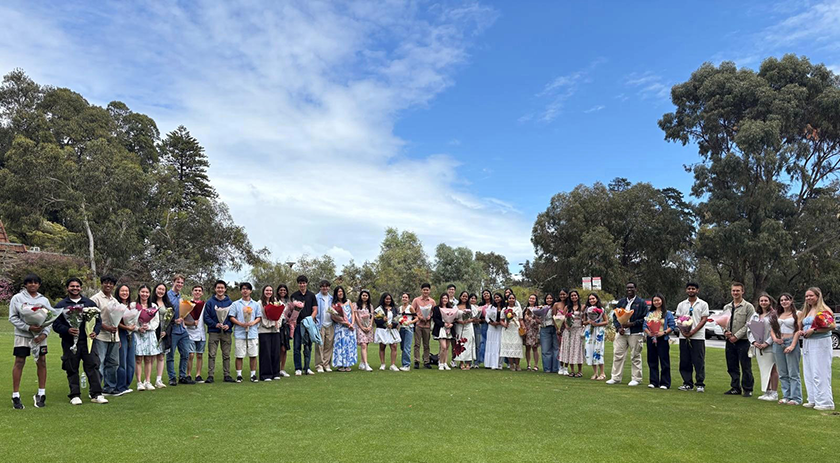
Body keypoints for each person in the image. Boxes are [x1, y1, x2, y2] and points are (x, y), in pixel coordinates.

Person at [53, 277, 109, 405]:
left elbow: (98, 321)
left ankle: (96, 394)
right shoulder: (61, 305)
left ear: (81, 288)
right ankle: (75, 395)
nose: (75, 288)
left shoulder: (89, 303)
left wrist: (95, 331)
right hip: (70, 342)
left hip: (88, 341)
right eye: (72, 286)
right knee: (71, 367)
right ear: (67, 288)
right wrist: (67, 330)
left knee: (93, 366)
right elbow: (55, 324)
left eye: (77, 286)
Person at [9, 273, 55, 409]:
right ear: (25, 284)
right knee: (19, 361)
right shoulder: (17, 298)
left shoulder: (44, 300)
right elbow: (13, 317)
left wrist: (44, 334)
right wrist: (28, 327)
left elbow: (50, 318)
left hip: (39, 337)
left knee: (42, 361)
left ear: (39, 285)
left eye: (35, 282)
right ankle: (15, 395)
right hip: (22, 335)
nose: (33, 284)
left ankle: (41, 393)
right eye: (30, 282)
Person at [798, 287, 835, 411]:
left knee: (820, 371)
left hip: (820, 342)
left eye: (811, 296)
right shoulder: (807, 310)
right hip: (808, 343)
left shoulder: (824, 310)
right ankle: (813, 399)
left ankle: (825, 402)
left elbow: (831, 326)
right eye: (806, 296)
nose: (808, 298)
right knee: (809, 372)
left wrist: (814, 330)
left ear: (818, 296)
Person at [607, 282, 649, 386]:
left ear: (636, 289)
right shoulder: (621, 302)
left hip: (635, 332)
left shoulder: (641, 303)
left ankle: (636, 378)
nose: (629, 290)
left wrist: (632, 324)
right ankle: (615, 377)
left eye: (631, 288)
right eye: (627, 288)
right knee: (618, 354)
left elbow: (644, 318)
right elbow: (615, 316)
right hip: (622, 333)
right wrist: (618, 327)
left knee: (635, 355)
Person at [722, 282, 756, 397]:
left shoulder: (748, 307)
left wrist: (736, 336)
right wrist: (725, 332)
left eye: (738, 290)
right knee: (732, 366)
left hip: (743, 341)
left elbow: (749, 324)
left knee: (746, 366)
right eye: (733, 290)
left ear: (742, 291)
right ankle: (735, 387)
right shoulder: (727, 307)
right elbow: (723, 322)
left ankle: (748, 388)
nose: (735, 293)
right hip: (729, 341)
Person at [675, 282, 709, 393]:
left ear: (697, 290)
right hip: (683, 337)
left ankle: (700, 384)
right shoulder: (681, 304)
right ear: (686, 290)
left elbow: (704, 319)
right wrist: (683, 331)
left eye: (693, 289)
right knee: (685, 361)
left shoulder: (703, 304)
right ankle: (687, 383)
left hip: (698, 337)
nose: (691, 290)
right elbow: (678, 319)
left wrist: (693, 331)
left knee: (698, 361)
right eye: (689, 288)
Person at [91, 275, 121, 396]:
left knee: (113, 362)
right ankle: (96, 389)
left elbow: (117, 319)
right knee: (100, 362)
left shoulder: (115, 301)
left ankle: (110, 387)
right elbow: (93, 318)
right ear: (102, 283)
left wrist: (118, 337)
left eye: (111, 283)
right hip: (101, 336)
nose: (108, 285)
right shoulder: (95, 299)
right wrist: (106, 327)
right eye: (106, 283)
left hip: (114, 337)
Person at [769, 293, 802, 405]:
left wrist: (792, 345)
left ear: (791, 301)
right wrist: (775, 339)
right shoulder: (777, 314)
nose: (784, 302)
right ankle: (786, 396)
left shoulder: (797, 314)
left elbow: (798, 330)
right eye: (782, 300)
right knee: (782, 372)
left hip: (791, 341)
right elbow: (772, 329)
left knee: (793, 372)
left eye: (786, 300)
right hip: (779, 343)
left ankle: (796, 398)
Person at [228, 282, 262, 383]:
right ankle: (239, 375)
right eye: (243, 289)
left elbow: (259, 317)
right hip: (240, 332)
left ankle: (253, 375)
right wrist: (240, 323)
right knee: (239, 355)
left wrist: (252, 323)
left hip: (252, 333)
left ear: (250, 291)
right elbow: (231, 317)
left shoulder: (255, 304)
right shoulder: (235, 304)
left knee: (253, 354)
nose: (245, 291)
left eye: (247, 289)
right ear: (241, 291)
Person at [749, 294, 778, 401]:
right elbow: (750, 330)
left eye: (766, 300)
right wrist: (754, 342)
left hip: (769, 346)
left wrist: (767, 343)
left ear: (770, 301)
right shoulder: (755, 315)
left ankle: (774, 393)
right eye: (761, 301)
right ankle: (767, 391)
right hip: (758, 346)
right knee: (764, 369)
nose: (763, 302)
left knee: (772, 369)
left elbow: (776, 331)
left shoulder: (774, 315)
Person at [643, 293, 676, 389]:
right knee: (652, 360)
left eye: (658, 300)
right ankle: (654, 381)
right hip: (651, 339)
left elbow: (672, 326)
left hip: (662, 339)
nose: (656, 302)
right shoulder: (650, 313)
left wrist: (663, 332)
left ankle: (665, 383)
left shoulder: (668, 313)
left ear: (662, 301)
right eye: (654, 301)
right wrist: (649, 333)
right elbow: (644, 325)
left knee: (664, 361)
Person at [132, 285, 160, 391]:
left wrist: (149, 327)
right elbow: (129, 320)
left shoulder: (153, 306)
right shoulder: (134, 305)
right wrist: (138, 328)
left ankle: (147, 381)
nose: (145, 294)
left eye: (147, 292)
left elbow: (156, 321)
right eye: (142, 292)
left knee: (148, 358)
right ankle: (139, 382)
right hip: (138, 334)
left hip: (149, 334)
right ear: (139, 292)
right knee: (138, 358)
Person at [166, 275, 192, 386]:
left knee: (185, 353)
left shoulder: (181, 296)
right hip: (172, 330)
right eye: (178, 282)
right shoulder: (167, 296)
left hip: (182, 330)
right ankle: (172, 378)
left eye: (181, 283)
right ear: (173, 282)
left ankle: (182, 376)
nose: (180, 284)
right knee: (170, 355)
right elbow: (165, 313)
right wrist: (173, 321)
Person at [290, 275, 318, 376]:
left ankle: (307, 367)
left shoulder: (311, 295)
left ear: (306, 283)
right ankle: (298, 368)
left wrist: (309, 319)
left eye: (304, 283)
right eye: (300, 283)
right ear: (298, 284)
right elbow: (291, 310)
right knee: (297, 347)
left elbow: (315, 309)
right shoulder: (294, 295)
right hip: (298, 325)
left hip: (308, 325)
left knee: (308, 347)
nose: (302, 285)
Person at [114, 284, 136, 395]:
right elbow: (116, 322)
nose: (125, 293)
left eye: (126, 291)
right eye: (122, 291)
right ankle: (120, 386)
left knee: (131, 361)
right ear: (118, 292)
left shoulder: (132, 306)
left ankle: (127, 384)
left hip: (131, 334)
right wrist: (126, 327)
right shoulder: (116, 305)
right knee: (122, 361)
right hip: (121, 333)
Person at [257, 285, 282, 381]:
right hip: (264, 330)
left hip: (275, 330)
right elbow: (260, 316)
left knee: (275, 352)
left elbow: (281, 314)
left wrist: (277, 323)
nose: (269, 292)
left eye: (270, 290)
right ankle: (266, 375)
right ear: (263, 291)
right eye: (267, 290)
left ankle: (276, 373)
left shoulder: (276, 301)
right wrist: (269, 323)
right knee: (266, 352)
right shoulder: (259, 303)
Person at [331, 286, 357, 372]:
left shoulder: (348, 301)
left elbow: (352, 313)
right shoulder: (334, 304)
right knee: (340, 345)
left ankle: (347, 364)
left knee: (348, 345)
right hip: (340, 328)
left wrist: (352, 323)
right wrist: (344, 322)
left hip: (350, 328)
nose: (340, 293)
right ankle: (340, 364)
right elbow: (333, 316)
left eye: (341, 291)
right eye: (338, 292)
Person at [151, 283, 173, 388]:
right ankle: (147, 380)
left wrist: (166, 332)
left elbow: (171, 320)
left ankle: (158, 380)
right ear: (155, 290)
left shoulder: (168, 304)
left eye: (163, 290)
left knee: (161, 356)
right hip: (153, 331)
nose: (161, 291)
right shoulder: (150, 303)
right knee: (151, 357)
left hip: (164, 333)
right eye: (159, 289)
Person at [583, 293, 608, 381]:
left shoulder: (601, 309)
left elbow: (606, 321)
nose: (591, 300)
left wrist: (597, 324)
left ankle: (602, 373)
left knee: (598, 350)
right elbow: (583, 322)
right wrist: (589, 322)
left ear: (597, 299)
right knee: (590, 350)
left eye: (593, 298)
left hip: (598, 331)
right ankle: (595, 373)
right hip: (589, 332)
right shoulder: (586, 310)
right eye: (590, 299)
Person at [559, 291, 584, 377]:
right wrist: (566, 325)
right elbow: (564, 318)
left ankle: (579, 371)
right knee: (569, 350)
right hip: (569, 331)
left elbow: (584, 318)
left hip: (578, 330)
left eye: (575, 295)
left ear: (578, 296)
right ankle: (572, 370)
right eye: (572, 296)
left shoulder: (582, 307)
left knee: (578, 350)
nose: (574, 297)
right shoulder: (567, 307)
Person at [374, 293, 401, 371]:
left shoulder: (395, 309)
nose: (388, 300)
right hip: (383, 330)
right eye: (386, 299)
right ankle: (382, 364)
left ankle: (393, 364)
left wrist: (393, 324)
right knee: (382, 346)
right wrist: (383, 320)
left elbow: (398, 319)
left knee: (394, 346)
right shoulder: (379, 309)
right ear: (383, 299)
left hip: (392, 330)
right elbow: (376, 321)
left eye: (389, 299)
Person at [185, 285, 206, 383]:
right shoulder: (187, 304)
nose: (197, 292)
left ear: (202, 293)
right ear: (192, 292)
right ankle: (188, 374)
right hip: (190, 333)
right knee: (191, 354)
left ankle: (198, 375)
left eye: (199, 291)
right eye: (195, 290)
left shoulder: (205, 305)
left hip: (201, 333)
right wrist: (192, 323)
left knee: (199, 355)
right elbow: (183, 320)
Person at [432, 293, 458, 371]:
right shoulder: (436, 308)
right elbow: (435, 319)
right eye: (443, 298)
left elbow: (454, 319)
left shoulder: (451, 308)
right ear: (441, 299)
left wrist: (451, 324)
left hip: (449, 329)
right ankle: (440, 363)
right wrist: (443, 324)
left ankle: (445, 363)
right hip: (441, 329)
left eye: (446, 298)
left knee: (447, 347)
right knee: (443, 347)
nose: (445, 300)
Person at [411, 283, 434, 369]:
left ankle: (426, 361)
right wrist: (419, 317)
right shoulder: (416, 300)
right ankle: (416, 361)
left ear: (429, 291)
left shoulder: (432, 301)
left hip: (427, 325)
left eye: (427, 290)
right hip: (418, 324)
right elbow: (412, 311)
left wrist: (429, 316)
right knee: (417, 344)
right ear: (421, 290)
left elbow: (434, 312)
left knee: (426, 344)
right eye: (424, 290)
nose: (425, 291)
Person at [499, 293, 524, 371]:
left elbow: (521, 319)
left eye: (513, 298)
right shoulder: (504, 309)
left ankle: (517, 364)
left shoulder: (518, 309)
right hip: (508, 329)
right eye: (510, 298)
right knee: (509, 346)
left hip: (516, 328)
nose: (511, 300)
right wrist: (505, 325)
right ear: (507, 300)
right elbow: (501, 320)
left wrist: (523, 327)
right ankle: (511, 364)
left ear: (515, 299)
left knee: (517, 346)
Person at [314, 280, 334, 373]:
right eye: (323, 286)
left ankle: (326, 364)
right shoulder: (316, 297)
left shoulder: (332, 298)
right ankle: (319, 365)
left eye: (326, 286)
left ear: (329, 287)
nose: (324, 288)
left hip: (330, 324)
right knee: (319, 345)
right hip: (320, 324)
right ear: (320, 287)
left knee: (328, 345)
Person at [454, 291, 476, 370]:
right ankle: (461, 362)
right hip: (460, 327)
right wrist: (460, 321)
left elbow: (474, 317)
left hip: (468, 327)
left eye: (466, 296)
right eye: (463, 296)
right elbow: (453, 317)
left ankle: (468, 363)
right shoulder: (456, 306)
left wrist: (469, 320)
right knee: (460, 344)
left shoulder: (471, 307)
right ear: (460, 297)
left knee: (468, 344)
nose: (464, 298)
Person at [536, 293, 558, 373]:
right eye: (547, 298)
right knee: (545, 349)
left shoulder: (556, 306)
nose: (549, 300)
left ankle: (555, 368)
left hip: (555, 328)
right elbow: (537, 318)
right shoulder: (542, 308)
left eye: (551, 298)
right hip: (545, 328)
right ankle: (547, 368)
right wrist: (539, 320)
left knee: (556, 349)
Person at [354, 289, 375, 371]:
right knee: (363, 344)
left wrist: (370, 326)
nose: (365, 297)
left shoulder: (370, 306)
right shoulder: (356, 305)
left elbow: (372, 316)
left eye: (366, 295)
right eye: (363, 295)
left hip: (368, 327)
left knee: (366, 344)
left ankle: (362, 362)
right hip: (360, 327)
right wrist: (361, 327)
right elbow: (356, 316)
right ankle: (366, 364)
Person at [276, 284, 293, 377]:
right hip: (277, 326)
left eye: (284, 290)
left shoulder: (289, 302)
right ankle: (276, 368)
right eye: (281, 290)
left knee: (284, 348)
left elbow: (291, 314)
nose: (283, 292)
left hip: (286, 326)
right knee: (278, 348)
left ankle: (282, 369)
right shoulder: (275, 300)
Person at [483, 293, 504, 370]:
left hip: (500, 328)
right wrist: (491, 323)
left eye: (498, 297)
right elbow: (486, 317)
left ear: (501, 298)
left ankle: (499, 364)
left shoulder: (504, 308)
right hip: (491, 328)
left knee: (499, 345)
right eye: (495, 298)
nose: (496, 299)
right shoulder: (491, 307)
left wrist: (499, 323)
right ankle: (489, 363)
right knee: (491, 345)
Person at [397, 292, 416, 371]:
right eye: (403, 297)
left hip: (409, 329)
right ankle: (404, 363)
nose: (404, 299)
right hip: (401, 329)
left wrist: (410, 322)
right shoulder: (400, 308)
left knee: (406, 347)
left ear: (408, 299)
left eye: (406, 297)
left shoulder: (410, 307)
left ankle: (406, 365)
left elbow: (416, 318)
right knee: (402, 347)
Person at [522, 294, 541, 371]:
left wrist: (531, 319)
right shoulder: (525, 309)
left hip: (534, 330)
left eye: (533, 298)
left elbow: (540, 320)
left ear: (536, 300)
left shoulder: (538, 309)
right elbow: (522, 319)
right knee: (527, 348)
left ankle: (536, 365)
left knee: (535, 348)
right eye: (530, 298)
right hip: (527, 330)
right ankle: (528, 365)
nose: (531, 300)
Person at [553, 290, 569, 375]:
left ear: (567, 295)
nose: (562, 296)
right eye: (561, 294)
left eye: (564, 294)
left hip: (568, 329)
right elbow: (554, 317)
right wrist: (557, 328)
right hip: (559, 329)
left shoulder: (569, 305)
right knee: (561, 348)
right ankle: (561, 366)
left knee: (568, 348)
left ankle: (566, 367)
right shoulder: (556, 304)